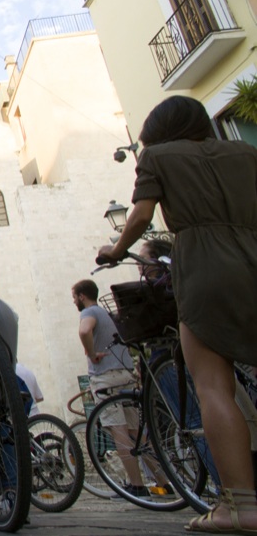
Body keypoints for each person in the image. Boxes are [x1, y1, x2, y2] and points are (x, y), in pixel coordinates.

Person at [97, 95, 257, 533]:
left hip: (205, 267)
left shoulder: (158, 158)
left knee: (213, 387)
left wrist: (116, 250)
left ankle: (241, 504)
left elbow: (140, 216)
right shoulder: (245, 152)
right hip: (253, 255)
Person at [73, 279, 170, 499]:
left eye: (74, 297)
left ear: (81, 296)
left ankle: (136, 485)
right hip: (125, 373)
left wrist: (91, 353)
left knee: (118, 430)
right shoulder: (111, 315)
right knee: (137, 432)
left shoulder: (89, 313)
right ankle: (164, 481)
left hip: (105, 377)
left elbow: (84, 331)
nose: (74, 301)